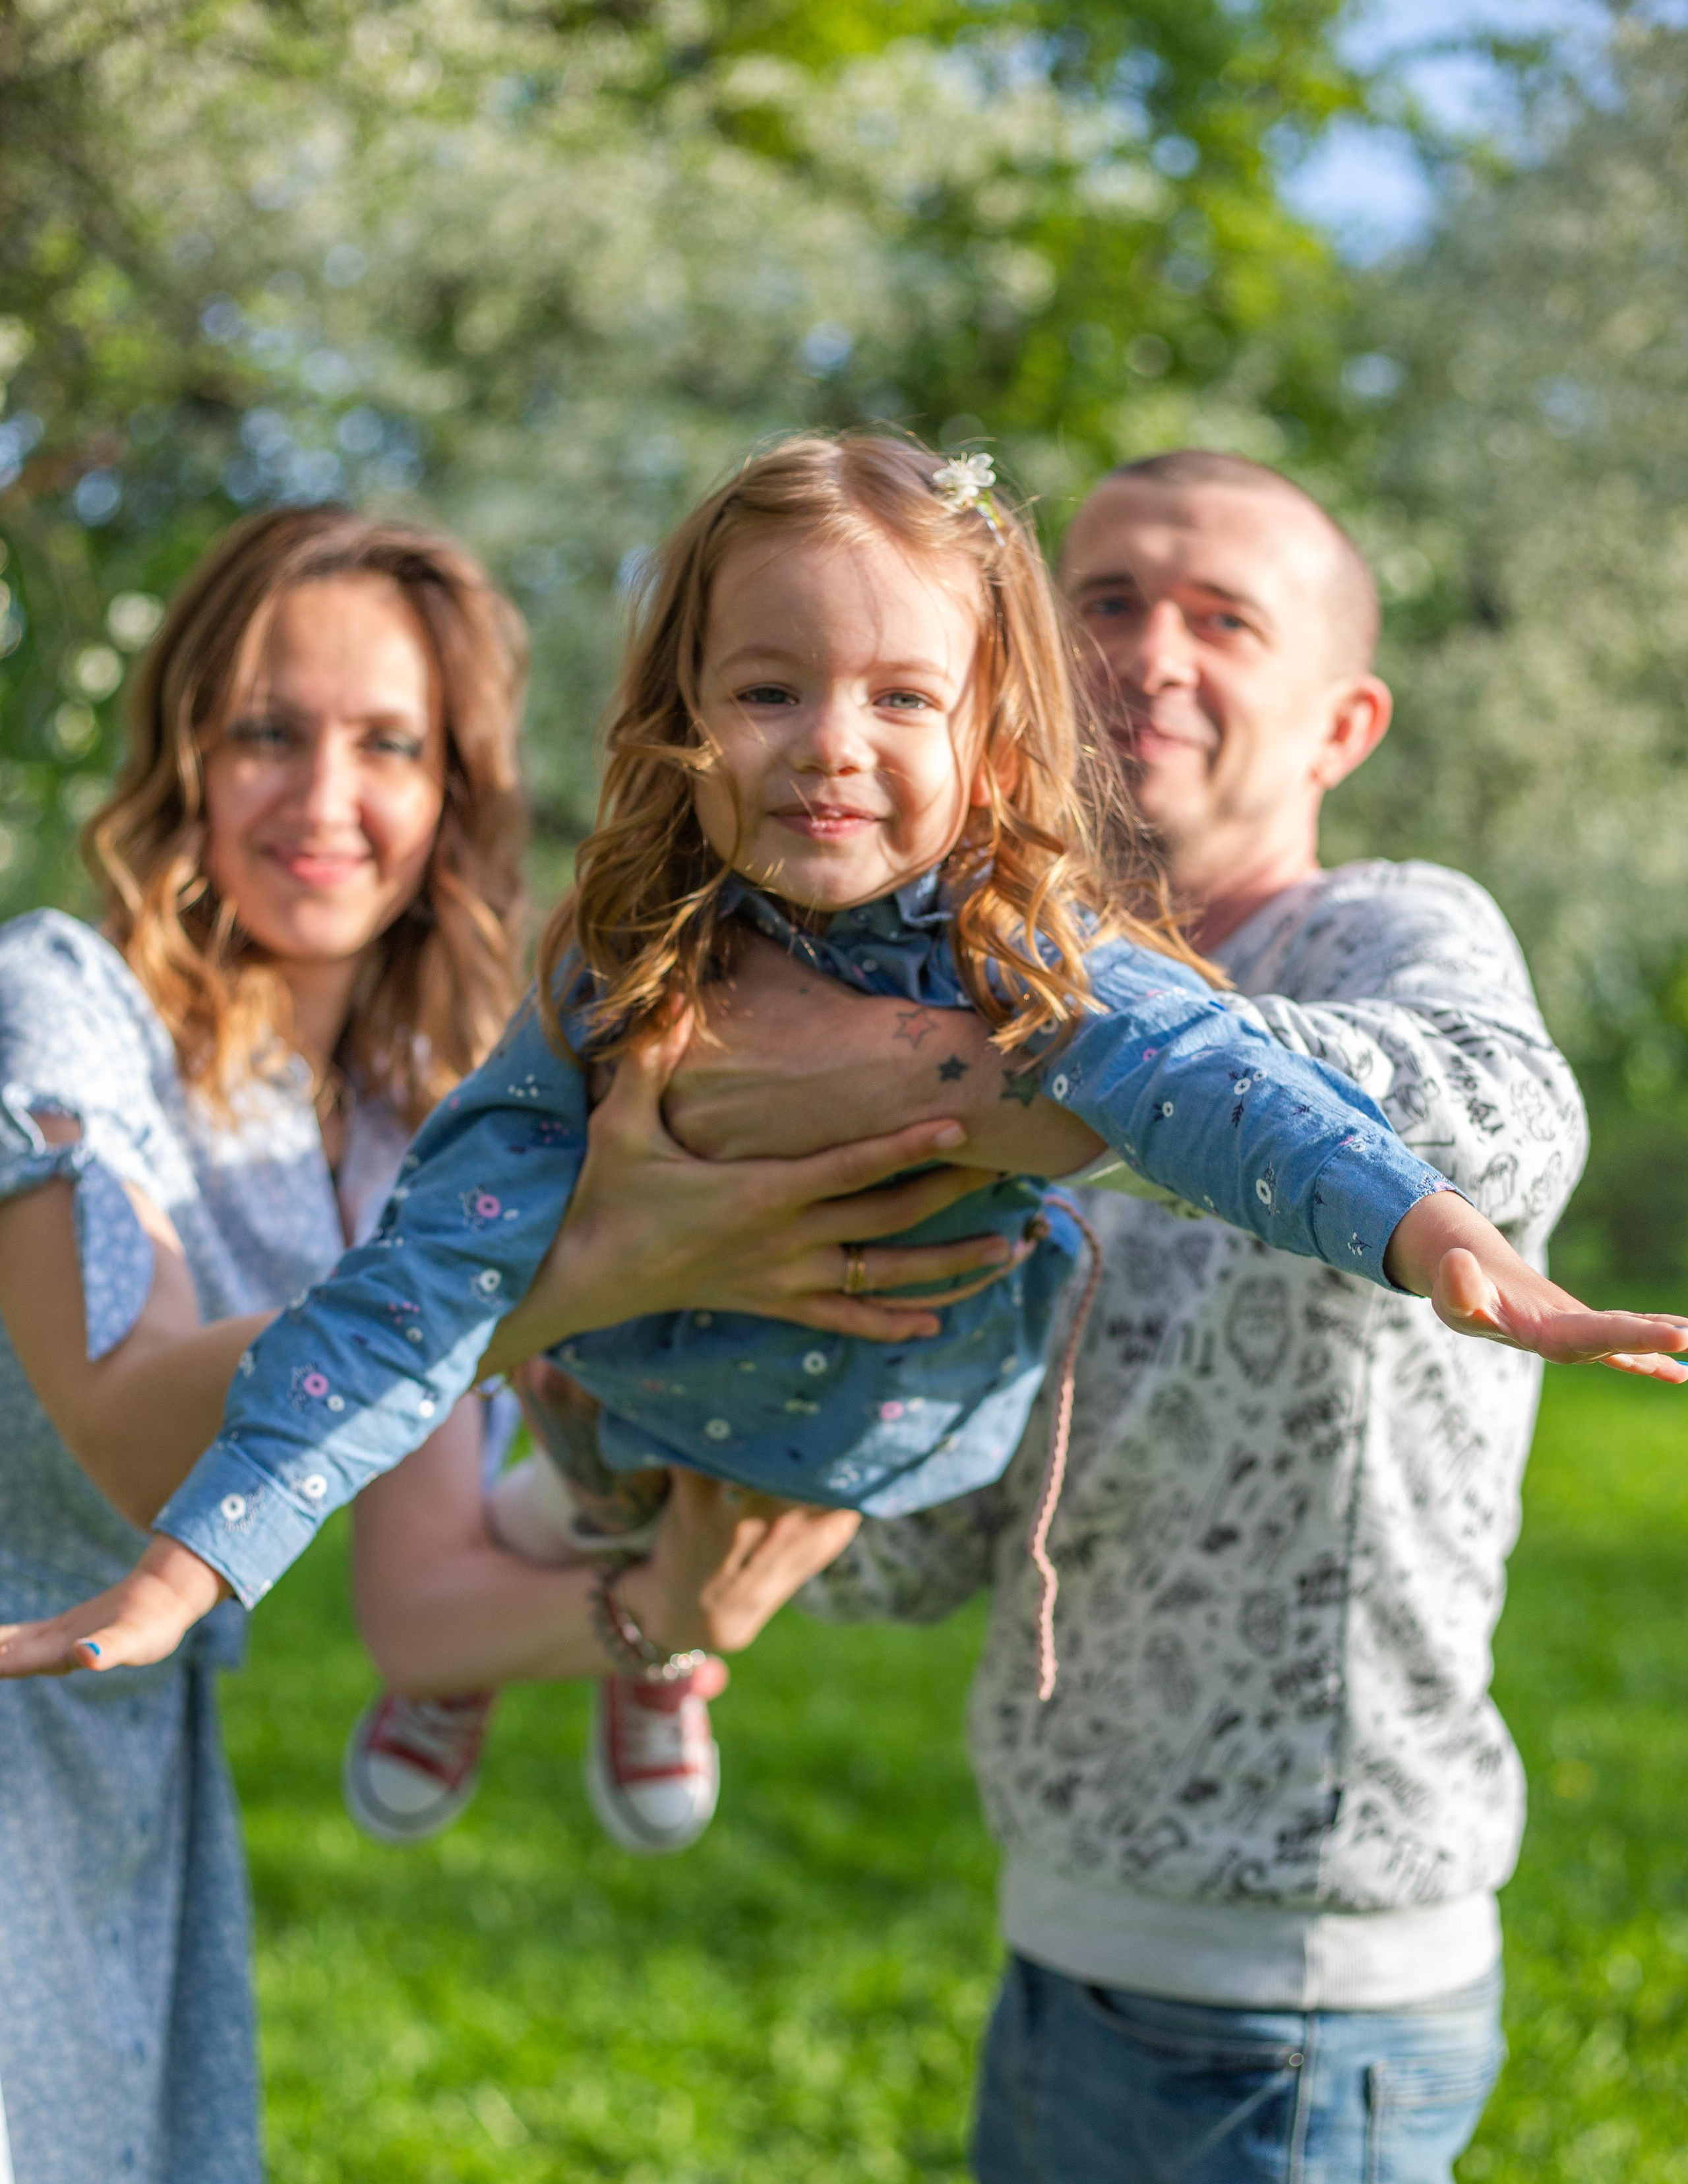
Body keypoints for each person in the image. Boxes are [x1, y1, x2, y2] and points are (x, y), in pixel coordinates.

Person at [9, 434, 1680, 1759]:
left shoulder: (1034, 955)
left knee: (657, 1546)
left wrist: (1424, 1228)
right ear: (680, 725)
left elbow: (1220, 1084)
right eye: (766, 690)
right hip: (644, 1439)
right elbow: (409, 1297)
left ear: (995, 751)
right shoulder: (610, 988)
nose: (827, 742)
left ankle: (635, 1664)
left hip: (889, 1462)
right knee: (571, 1487)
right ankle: (605, 1666)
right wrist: (186, 1565)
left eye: (899, 698)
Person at [663, 449, 1601, 2182]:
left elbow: (1510, 1112)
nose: (1151, 652)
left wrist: (1057, 1073)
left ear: (1340, 727)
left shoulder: (1382, 933)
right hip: (1064, 1945)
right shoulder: (973, 996)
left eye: (1224, 617)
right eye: (1104, 602)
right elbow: (934, 1543)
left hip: (1302, 1995)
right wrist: (674, 1448)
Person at [0, 502, 917, 2184]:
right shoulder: (59, 1002)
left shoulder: (417, 1127)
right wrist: (563, 1272)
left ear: (454, 794)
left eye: (388, 746)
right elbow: (131, 1441)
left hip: (127, 1782)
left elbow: (421, 1601)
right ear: (185, 755)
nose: (325, 800)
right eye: (267, 734)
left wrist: (671, 1614)